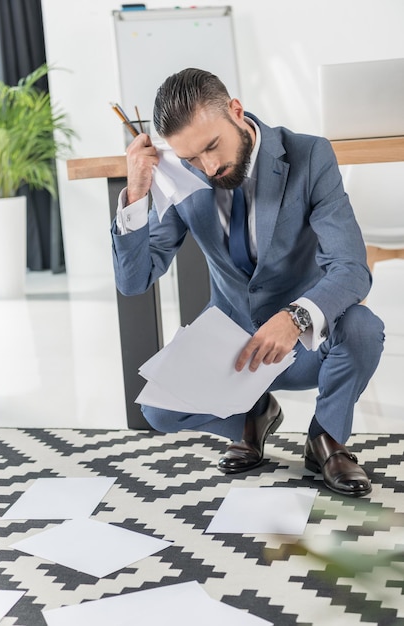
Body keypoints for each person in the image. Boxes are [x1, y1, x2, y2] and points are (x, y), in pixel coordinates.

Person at [111, 68, 385, 498]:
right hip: (234, 351)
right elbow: (134, 280)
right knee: (157, 411)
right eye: (191, 159)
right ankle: (253, 416)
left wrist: (295, 318)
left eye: (212, 147)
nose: (209, 167)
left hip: (304, 346)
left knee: (363, 329)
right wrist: (136, 193)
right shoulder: (184, 177)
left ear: (236, 112)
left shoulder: (309, 155)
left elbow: (351, 268)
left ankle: (326, 441)